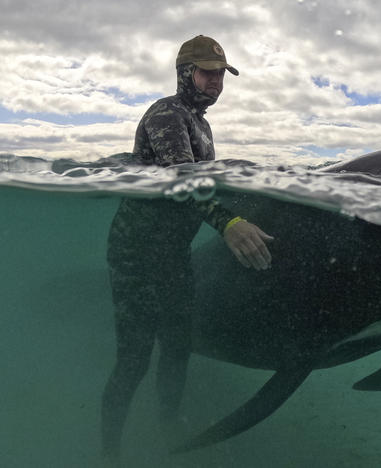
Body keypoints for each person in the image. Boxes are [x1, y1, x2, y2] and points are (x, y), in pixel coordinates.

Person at [101, 35, 273, 461]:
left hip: (173, 256)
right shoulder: (166, 114)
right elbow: (184, 180)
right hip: (136, 256)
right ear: (185, 73)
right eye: (207, 72)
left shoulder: (201, 123)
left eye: (220, 74)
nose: (216, 82)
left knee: (178, 348)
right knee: (134, 360)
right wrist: (229, 222)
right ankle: (108, 453)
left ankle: (166, 432)